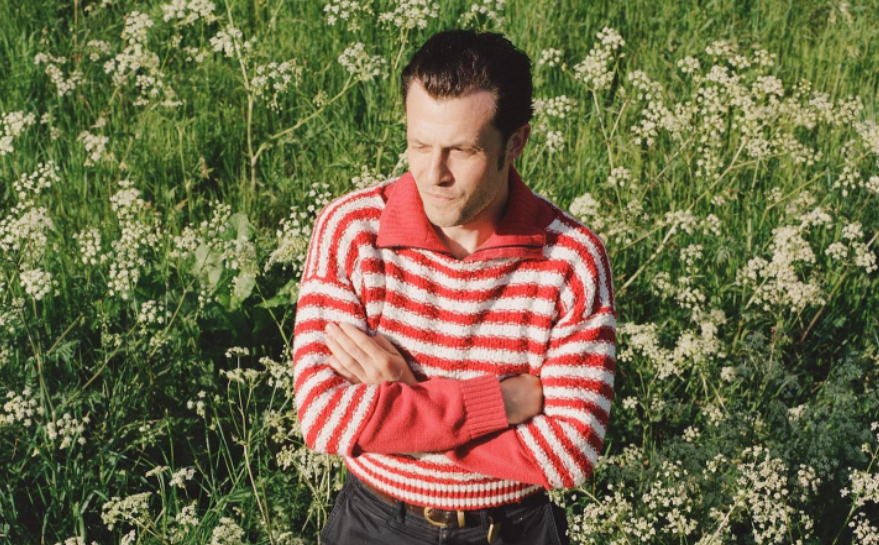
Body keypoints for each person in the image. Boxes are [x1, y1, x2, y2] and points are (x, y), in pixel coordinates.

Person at [291, 28, 616, 545]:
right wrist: (502, 404)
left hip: (513, 529)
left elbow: (568, 454)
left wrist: (404, 396)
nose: (433, 173)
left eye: (462, 151)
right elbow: (324, 416)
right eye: (419, 145)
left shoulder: (571, 260)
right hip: (374, 524)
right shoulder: (351, 231)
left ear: (516, 142)